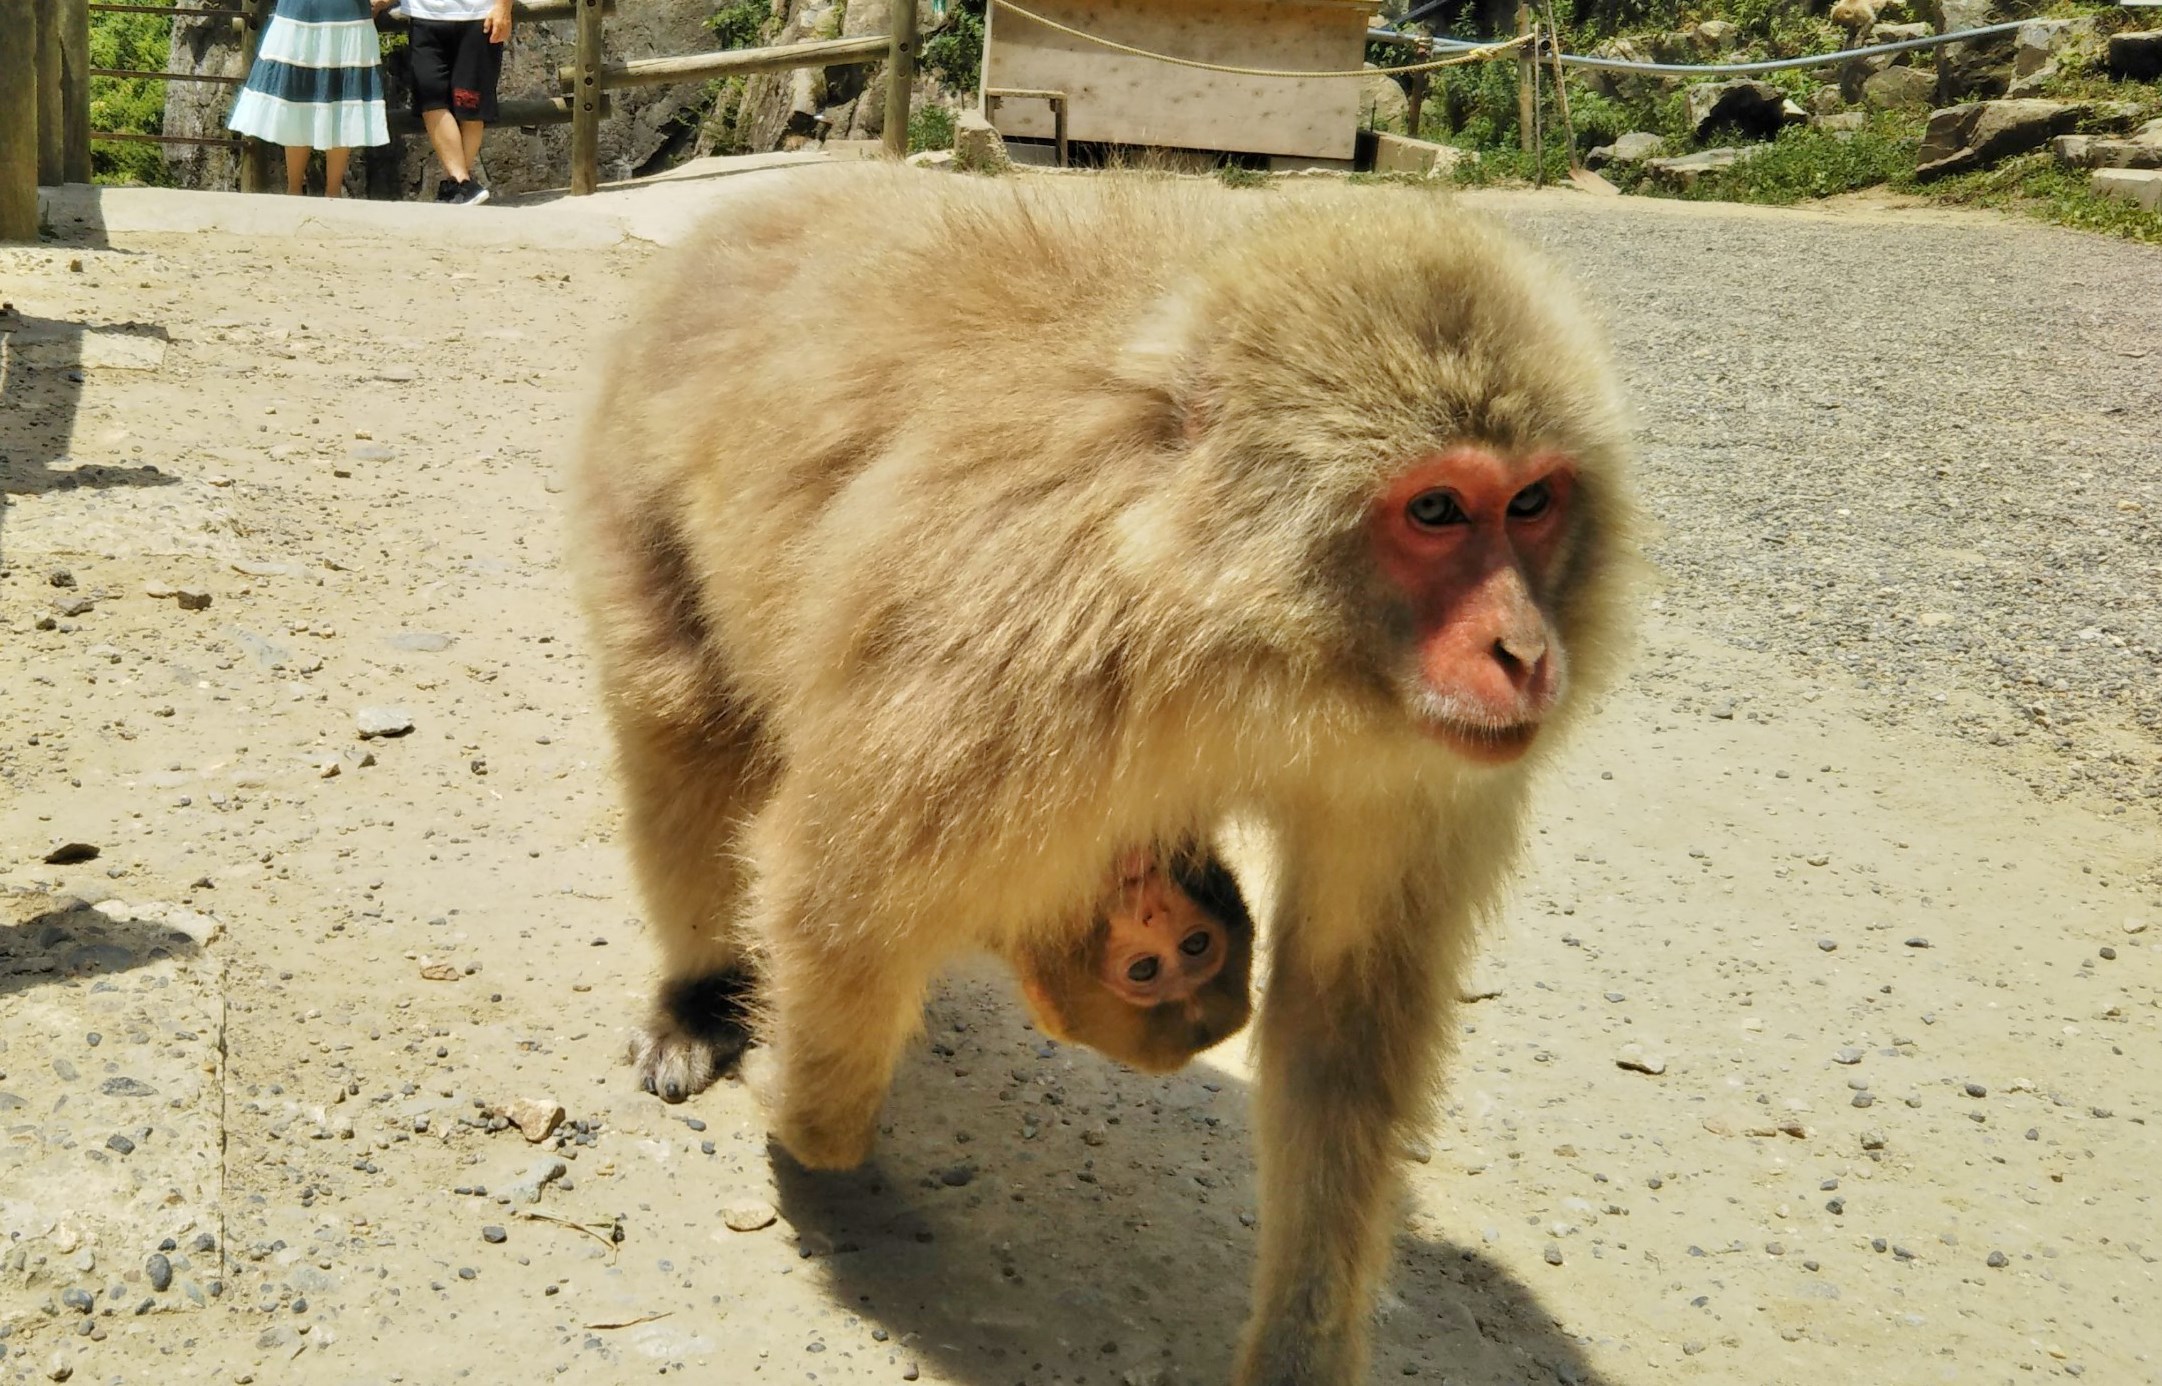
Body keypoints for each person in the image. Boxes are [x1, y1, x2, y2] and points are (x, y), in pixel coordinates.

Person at [226, 0, 392, 196]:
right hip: (301, 12)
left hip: (347, 13)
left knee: (343, 95)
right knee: (298, 94)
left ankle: (331, 193)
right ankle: (297, 191)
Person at [404, 0, 513, 205]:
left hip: (480, 16)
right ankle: (461, 183)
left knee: (470, 103)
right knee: (430, 97)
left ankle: (457, 185)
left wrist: (503, 7)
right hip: (423, 15)